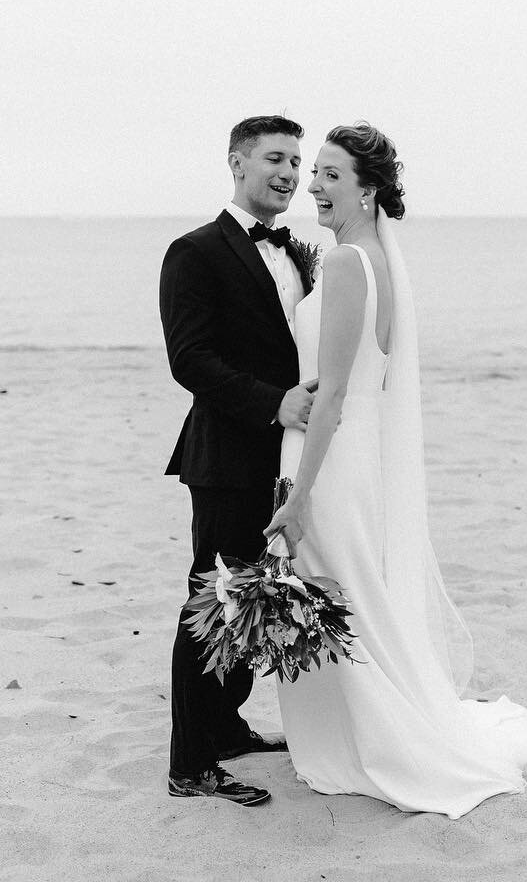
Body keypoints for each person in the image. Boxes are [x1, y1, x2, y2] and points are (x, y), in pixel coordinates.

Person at [263, 123, 527, 819]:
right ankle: (364, 729)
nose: (313, 185)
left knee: (340, 598)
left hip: (331, 457)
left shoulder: (347, 264)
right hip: (358, 454)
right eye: (313, 172)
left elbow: (335, 395)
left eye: (330, 175)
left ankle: (377, 741)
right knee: (349, 598)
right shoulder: (375, 259)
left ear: (367, 190)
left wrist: (299, 493)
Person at [158, 115, 318, 806]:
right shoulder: (193, 251)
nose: (288, 173)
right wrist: (272, 403)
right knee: (212, 604)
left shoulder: (295, 253)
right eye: (275, 159)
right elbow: (189, 360)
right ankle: (190, 765)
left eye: (296, 161)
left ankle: (225, 727)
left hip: (281, 457)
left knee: (255, 599)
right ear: (237, 163)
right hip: (225, 455)